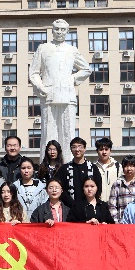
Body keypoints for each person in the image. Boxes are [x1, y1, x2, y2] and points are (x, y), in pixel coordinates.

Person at [28, 19, 91, 162]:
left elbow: (86, 69)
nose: (59, 32)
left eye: (63, 30)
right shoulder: (43, 48)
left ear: (67, 32)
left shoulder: (72, 50)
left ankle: (69, 164)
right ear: (52, 30)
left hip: (67, 95)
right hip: (49, 95)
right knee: (48, 133)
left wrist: (72, 79)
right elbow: (34, 72)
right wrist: (40, 86)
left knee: (68, 133)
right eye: (57, 29)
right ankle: (47, 166)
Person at [59, 137, 103, 208]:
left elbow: (98, 187)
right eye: (74, 147)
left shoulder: (93, 168)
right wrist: (72, 204)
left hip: (89, 207)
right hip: (70, 208)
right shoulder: (64, 169)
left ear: (85, 149)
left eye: (80, 147)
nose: (77, 150)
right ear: (71, 149)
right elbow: (60, 188)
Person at [108, 155, 135, 223]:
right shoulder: (117, 183)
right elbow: (112, 205)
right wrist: (116, 221)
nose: (129, 169)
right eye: (126, 166)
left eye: (131, 166)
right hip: (122, 222)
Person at [94, 137, 122, 204]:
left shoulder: (118, 167)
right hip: (98, 204)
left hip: (115, 203)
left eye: (106, 149)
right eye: (101, 149)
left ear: (110, 151)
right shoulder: (93, 167)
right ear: (97, 151)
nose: (104, 152)